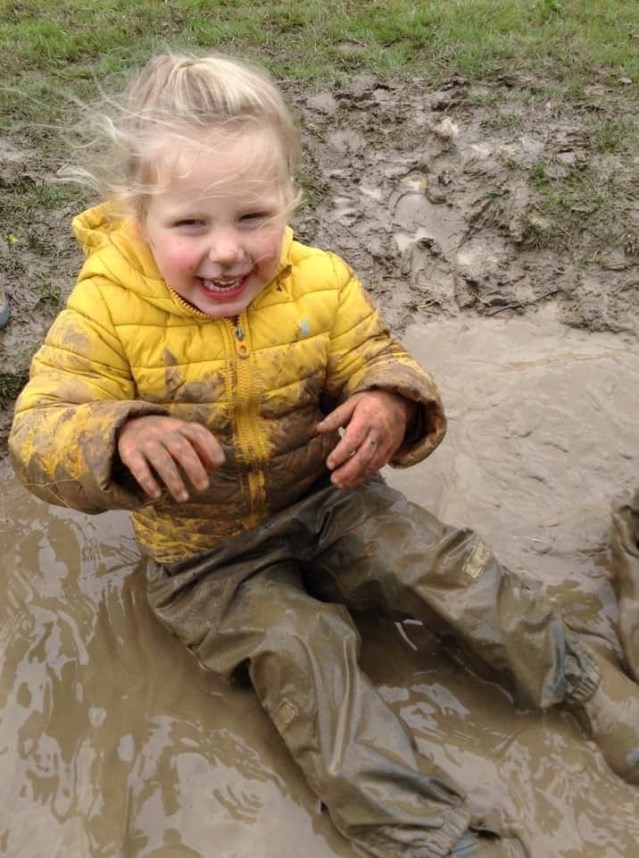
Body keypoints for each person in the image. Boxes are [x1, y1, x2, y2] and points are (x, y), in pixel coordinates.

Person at [8, 52, 639, 858]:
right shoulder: (103, 305)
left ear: (288, 200)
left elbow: (381, 354)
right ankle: (422, 834)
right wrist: (119, 434)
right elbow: (38, 425)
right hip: (208, 560)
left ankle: (584, 685)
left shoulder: (321, 282)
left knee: (445, 566)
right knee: (300, 650)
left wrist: (389, 403)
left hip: (333, 502)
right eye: (191, 225)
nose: (229, 252)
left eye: (252, 217)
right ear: (137, 216)